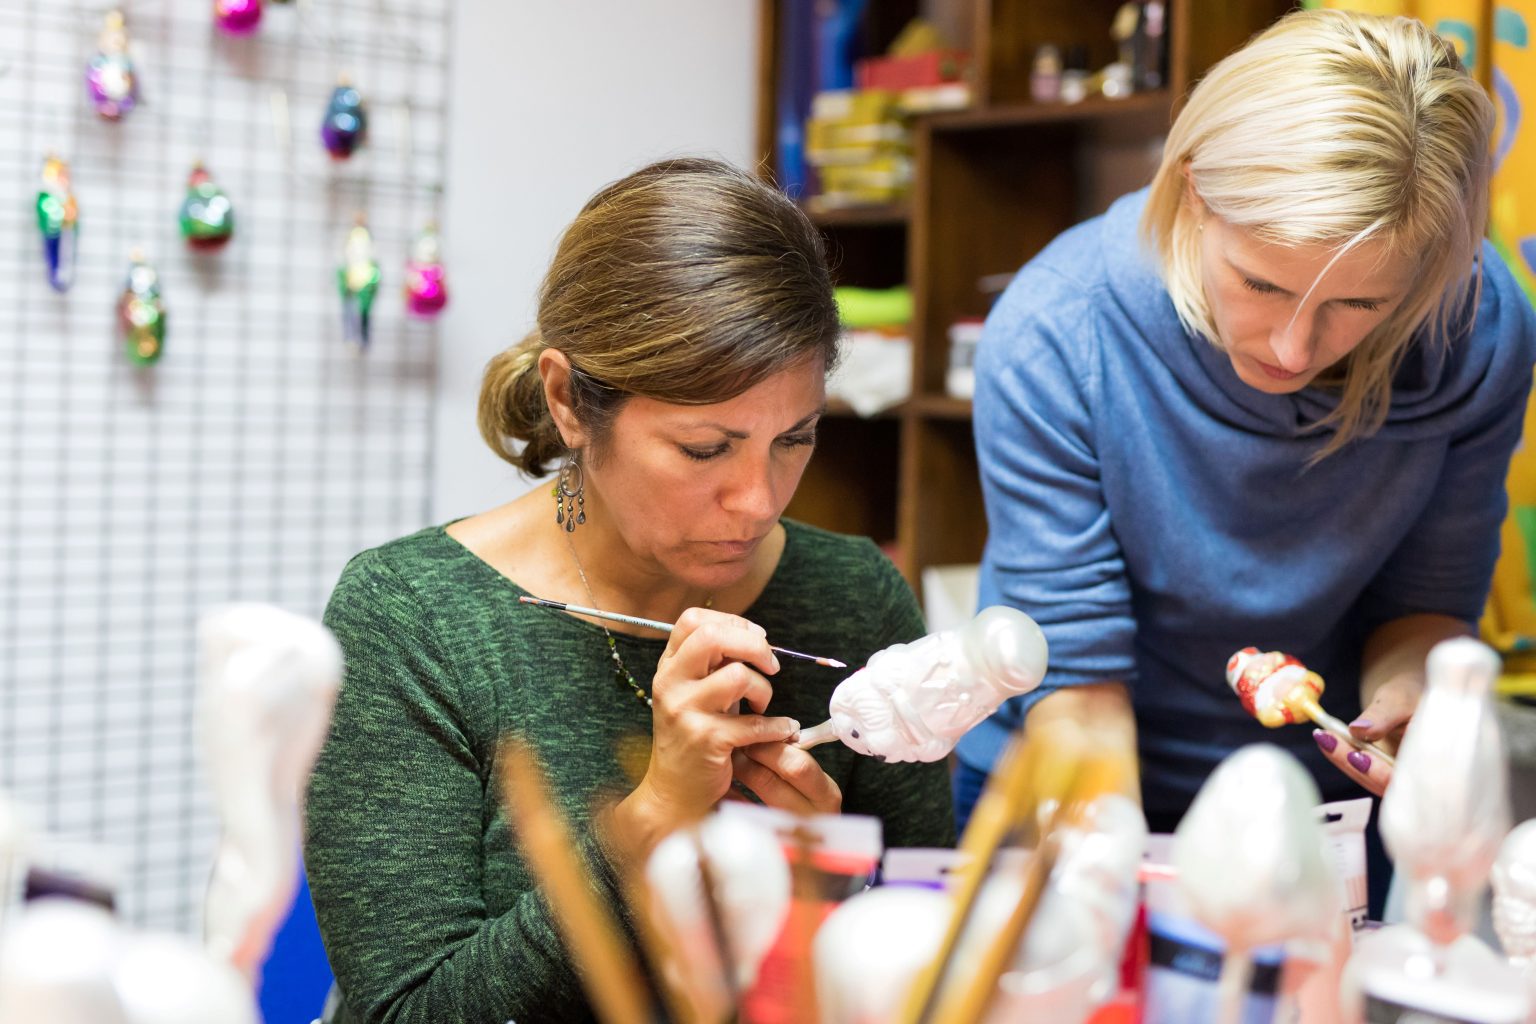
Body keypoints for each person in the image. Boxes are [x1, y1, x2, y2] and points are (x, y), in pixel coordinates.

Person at [303, 157, 953, 1024]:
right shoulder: (414, 617)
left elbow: (932, 968)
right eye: (704, 449)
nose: (757, 501)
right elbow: (407, 1013)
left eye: (794, 439)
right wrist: (649, 824)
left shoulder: (853, 596)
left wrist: (832, 888)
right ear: (570, 401)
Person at [957, 8, 1536, 910]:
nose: (1296, 348)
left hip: (1319, 822)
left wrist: (1409, 709)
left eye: (1358, 303)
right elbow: (1077, 685)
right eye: (1259, 282)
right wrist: (1124, 903)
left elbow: (1425, 604)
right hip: (1081, 777)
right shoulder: (1058, 331)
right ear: (1194, 193)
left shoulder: (1478, 334)